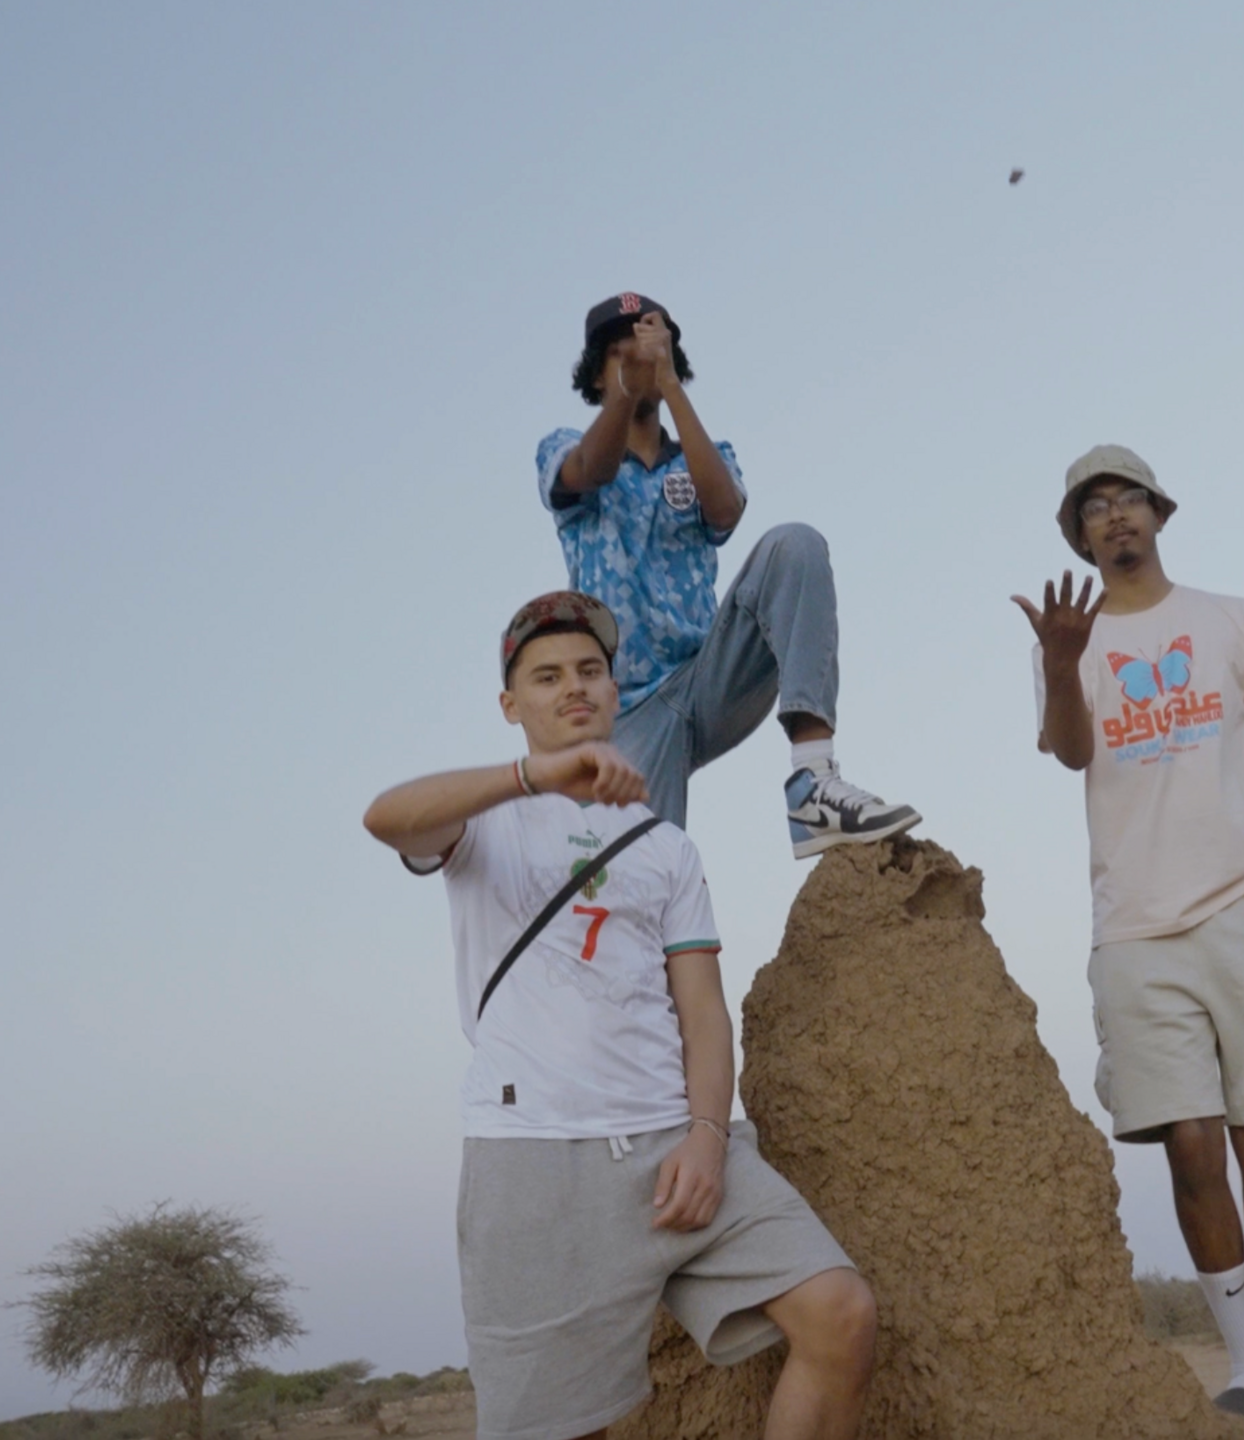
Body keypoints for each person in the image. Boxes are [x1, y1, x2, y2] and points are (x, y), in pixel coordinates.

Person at [363, 590, 876, 1440]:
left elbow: (702, 1013)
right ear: (510, 705)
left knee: (841, 1313)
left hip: (676, 1147)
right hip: (536, 1162)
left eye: (591, 671)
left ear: (614, 688)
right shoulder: (484, 824)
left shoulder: (665, 847)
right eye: (547, 675)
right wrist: (532, 778)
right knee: (565, 1430)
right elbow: (385, 820)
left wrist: (708, 1135)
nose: (574, 688)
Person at [1010, 446, 1244, 1440]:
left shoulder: (1234, 620)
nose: (1115, 519)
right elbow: (1072, 751)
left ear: (1159, 514)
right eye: (1095, 509)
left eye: (1129, 501)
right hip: (1133, 923)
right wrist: (1053, 663)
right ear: (1077, 536)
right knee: (1188, 1143)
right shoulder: (1071, 638)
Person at [534, 292, 917, 858]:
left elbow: (727, 511)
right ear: (594, 377)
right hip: (630, 710)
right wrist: (628, 386)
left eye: (648, 350)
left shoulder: (703, 453)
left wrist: (668, 386)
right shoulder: (564, 446)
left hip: (710, 677)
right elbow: (591, 470)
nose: (637, 362)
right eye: (619, 355)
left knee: (796, 544)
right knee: (645, 873)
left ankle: (812, 781)